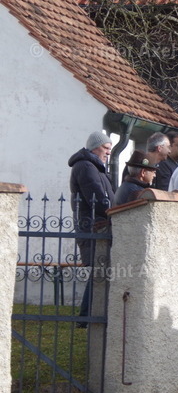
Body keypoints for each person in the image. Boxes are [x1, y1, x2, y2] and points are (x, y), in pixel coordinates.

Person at [68, 131, 115, 323]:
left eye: (110, 149)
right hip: (93, 226)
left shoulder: (96, 167)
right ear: (94, 147)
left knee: (99, 270)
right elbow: (96, 198)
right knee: (98, 270)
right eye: (105, 148)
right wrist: (113, 212)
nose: (108, 153)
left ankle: (86, 315)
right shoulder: (86, 167)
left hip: (98, 225)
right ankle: (85, 316)